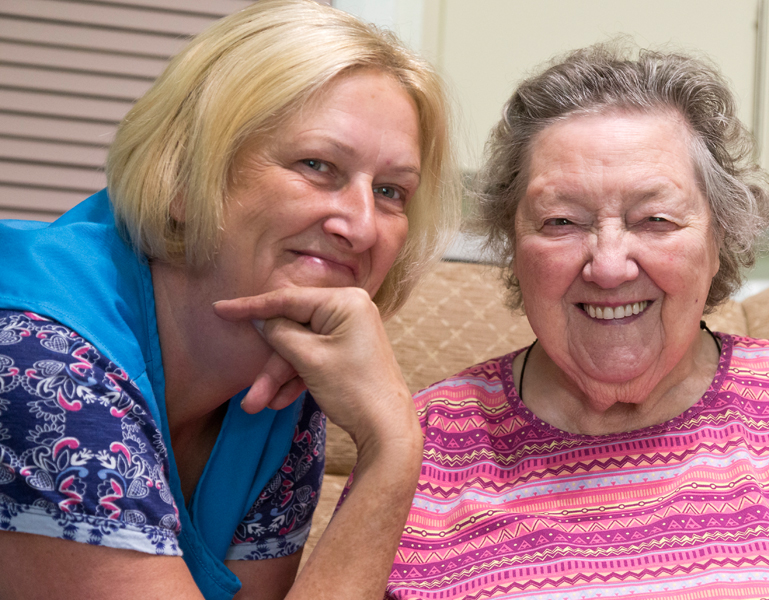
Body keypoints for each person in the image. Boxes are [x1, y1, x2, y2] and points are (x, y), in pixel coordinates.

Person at [383, 45, 769, 599]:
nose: (608, 265)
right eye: (561, 221)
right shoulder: (418, 443)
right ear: (512, 245)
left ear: (718, 237)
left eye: (655, 219)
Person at [0, 1, 456, 598]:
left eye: (392, 190)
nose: (364, 226)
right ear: (188, 178)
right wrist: (393, 450)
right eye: (317, 165)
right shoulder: (39, 365)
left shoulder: (289, 379)